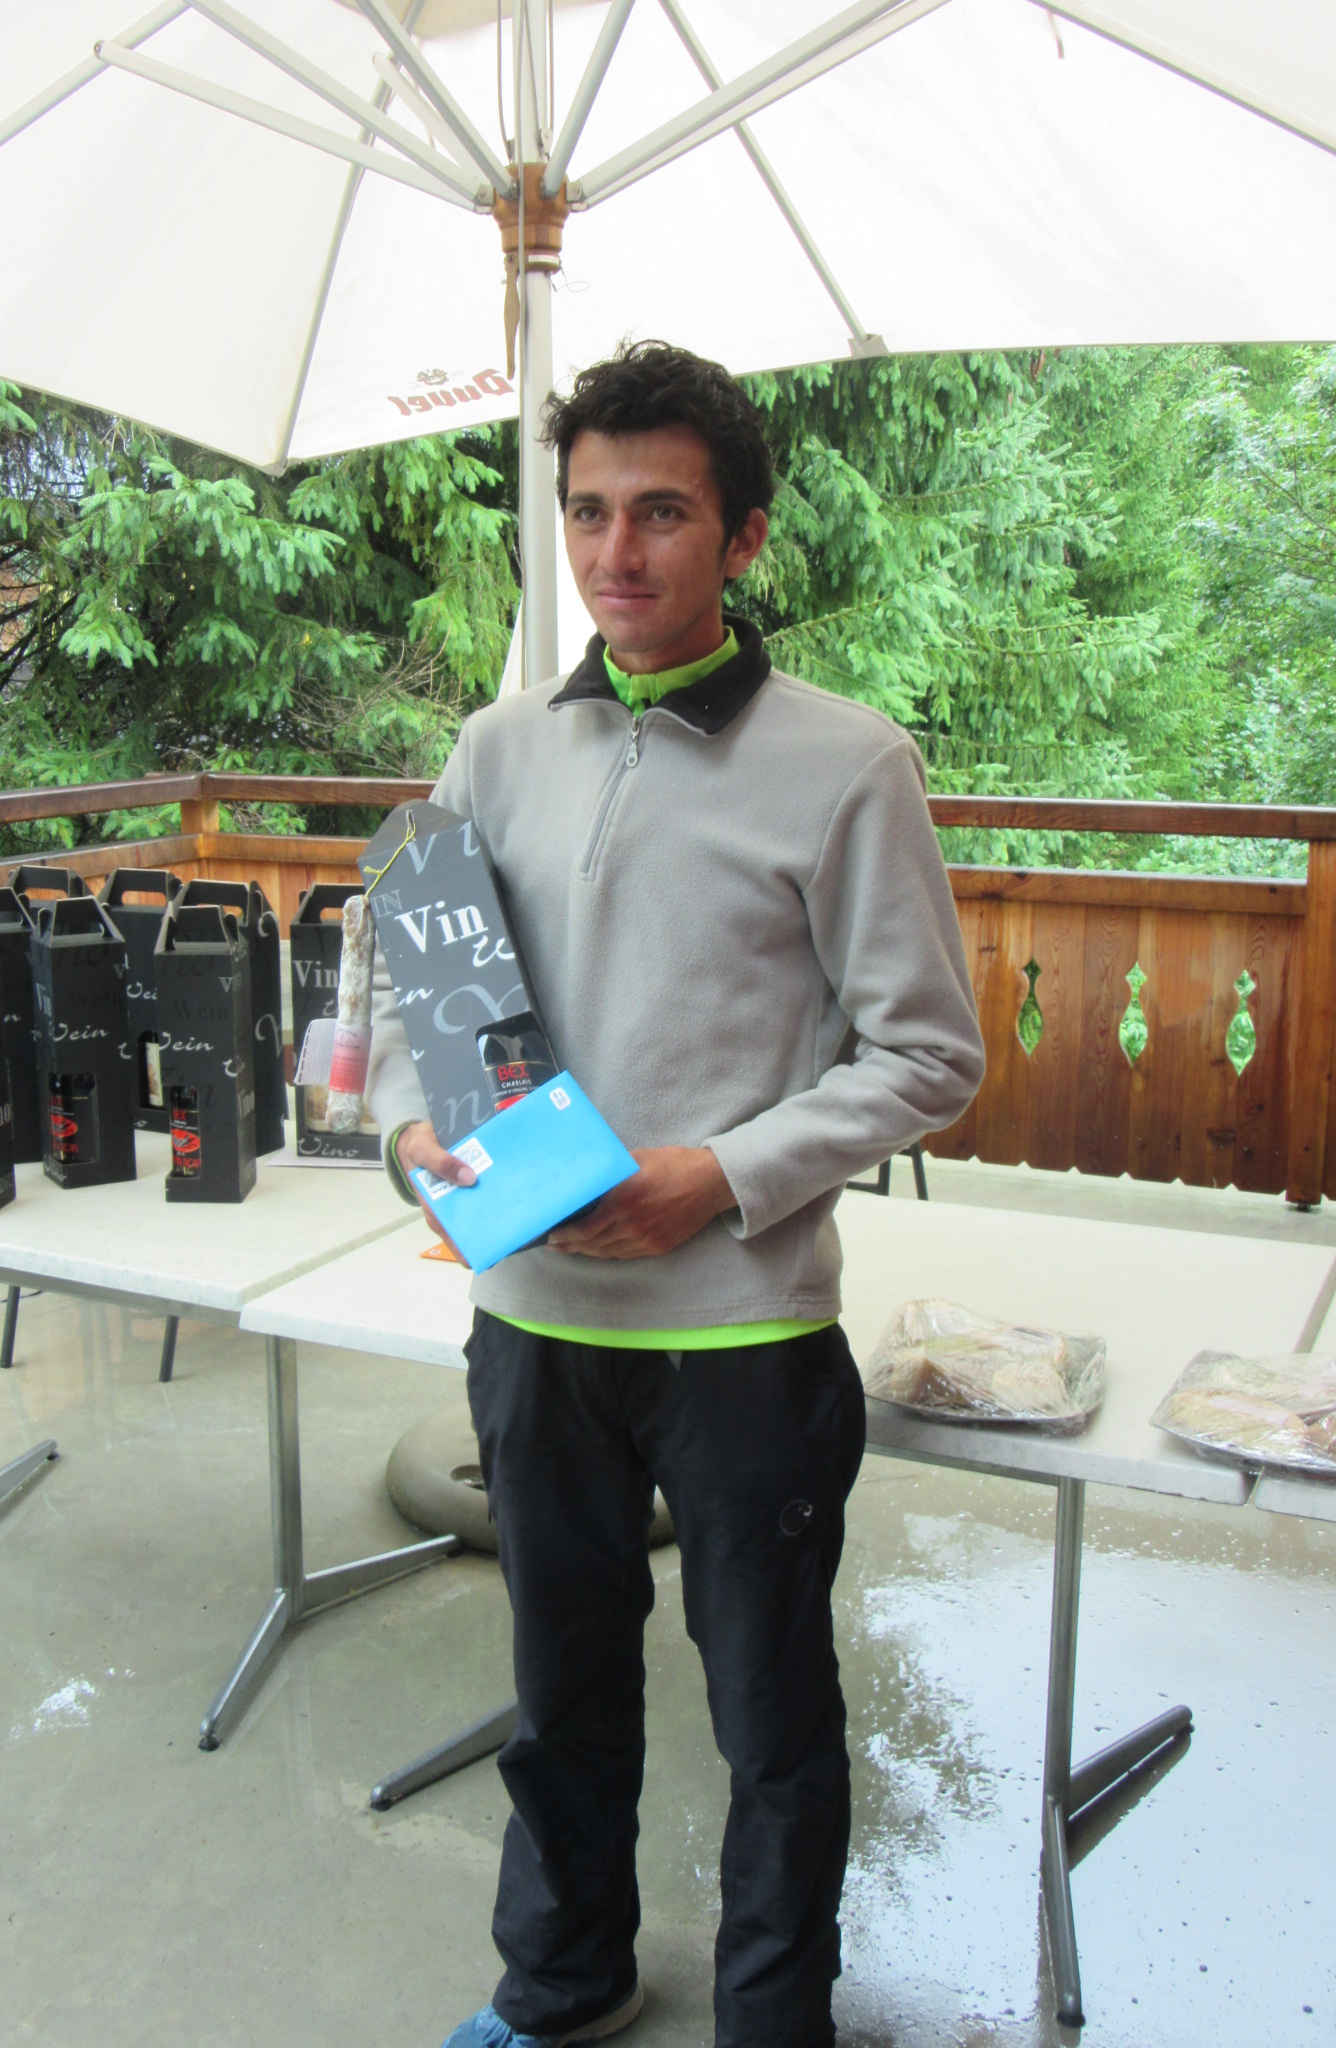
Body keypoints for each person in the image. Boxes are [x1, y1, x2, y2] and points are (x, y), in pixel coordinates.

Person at [366, 341, 985, 2048]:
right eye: (587, 512)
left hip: (745, 1333)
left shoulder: (848, 764)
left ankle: (772, 2024)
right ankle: (560, 1982)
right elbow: (421, 996)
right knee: (560, 1695)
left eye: (660, 513)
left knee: (772, 1724)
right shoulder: (493, 748)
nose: (615, 552)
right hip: (533, 1321)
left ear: (744, 536)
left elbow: (929, 1054)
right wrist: (417, 1137)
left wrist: (720, 1176)